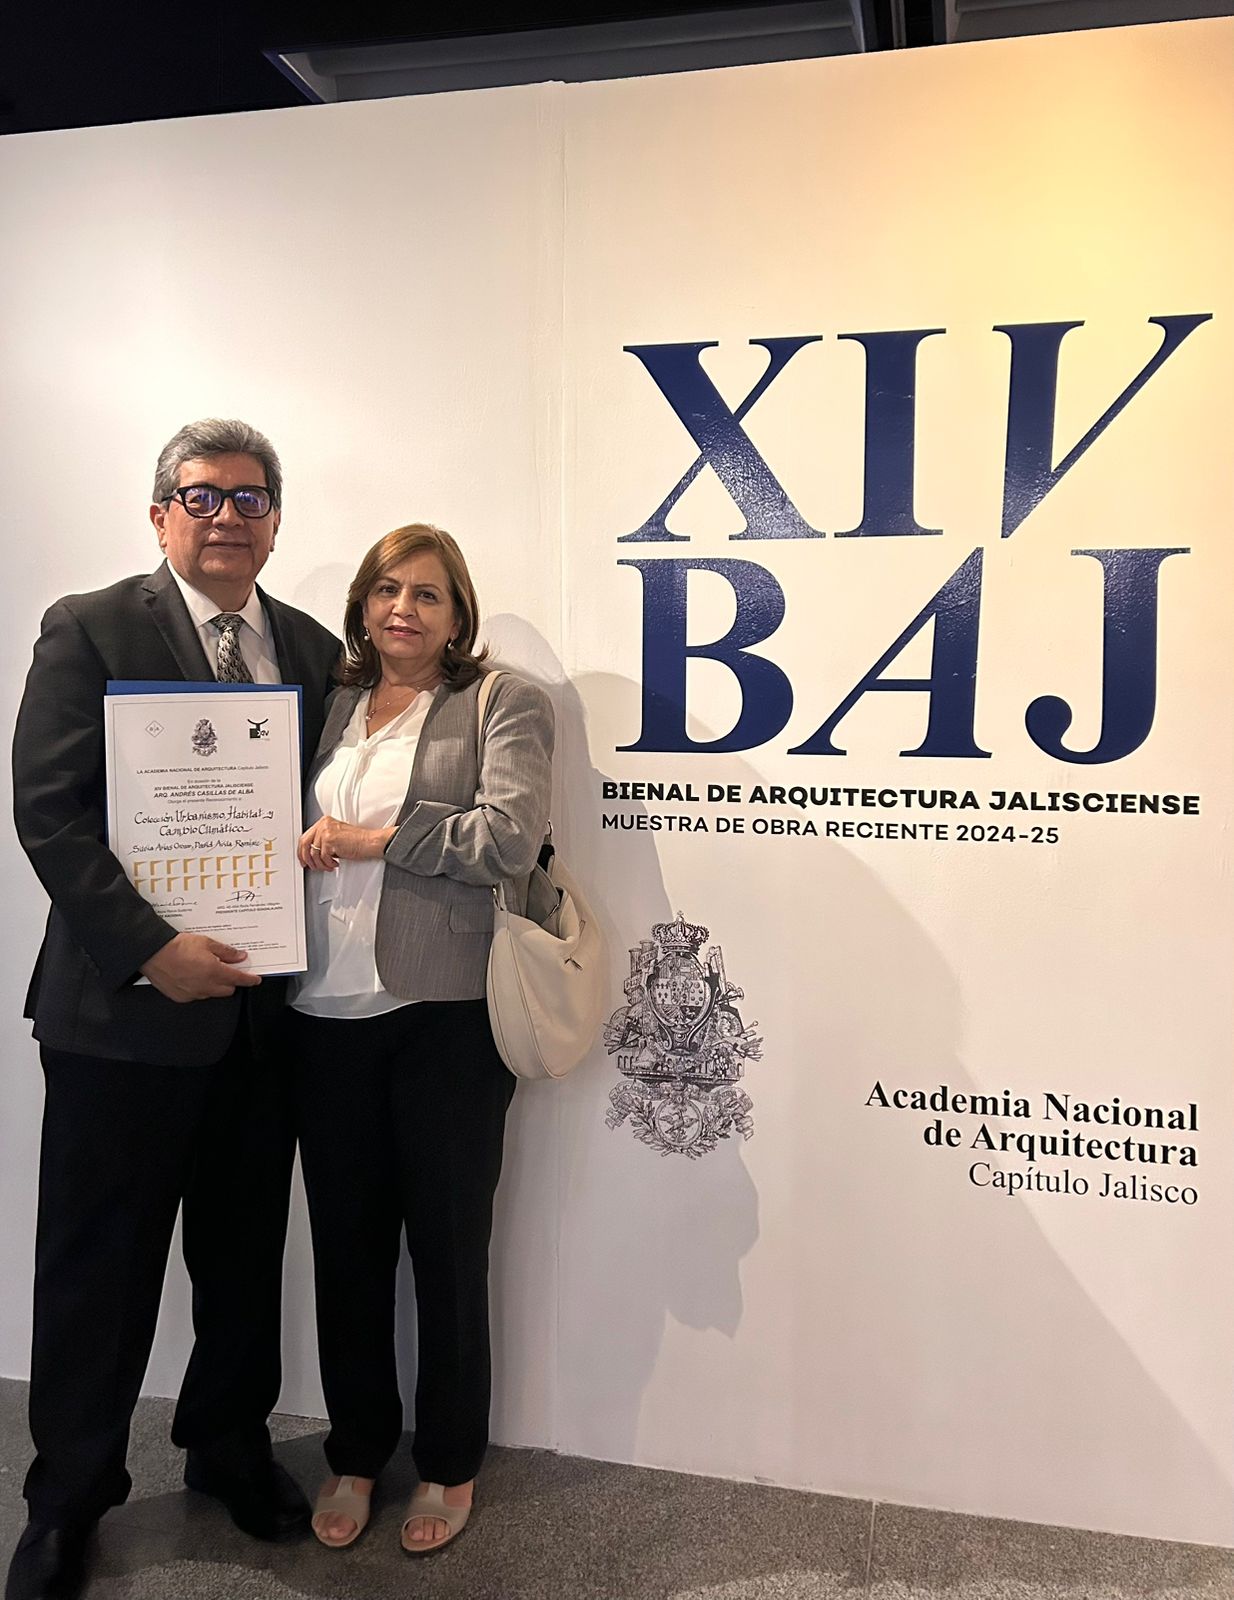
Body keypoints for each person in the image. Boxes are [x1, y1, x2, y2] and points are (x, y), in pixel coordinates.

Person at [6, 420, 340, 1600]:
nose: (226, 516)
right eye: (201, 496)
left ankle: (227, 1441)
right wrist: (154, 949)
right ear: (161, 514)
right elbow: (48, 809)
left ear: (275, 521)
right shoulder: (90, 626)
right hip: (123, 1016)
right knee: (98, 1267)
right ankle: (68, 1497)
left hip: (262, 1013)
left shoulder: (312, 649)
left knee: (243, 1253)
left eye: (250, 498)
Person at [288, 523, 553, 1556]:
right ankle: (356, 1450)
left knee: (446, 1253)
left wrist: (376, 840)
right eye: (387, 589)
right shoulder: (329, 704)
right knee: (345, 1254)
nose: (404, 608)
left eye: (428, 594)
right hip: (320, 1017)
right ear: (363, 605)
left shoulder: (499, 701)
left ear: (457, 614)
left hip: (443, 1020)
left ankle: (447, 1461)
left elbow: (509, 839)